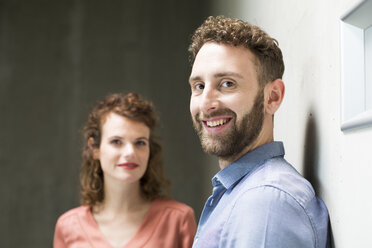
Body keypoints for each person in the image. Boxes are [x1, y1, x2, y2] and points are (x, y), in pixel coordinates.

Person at [188, 16, 330, 247]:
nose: (206, 104)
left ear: (272, 97)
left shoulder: (266, 203)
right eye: (199, 86)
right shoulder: (242, 192)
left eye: (227, 83)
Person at [53, 92, 197, 248]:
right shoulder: (68, 226)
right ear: (94, 149)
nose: (130, 153)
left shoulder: (178, 219)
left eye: (140, 143)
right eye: (116, 141)